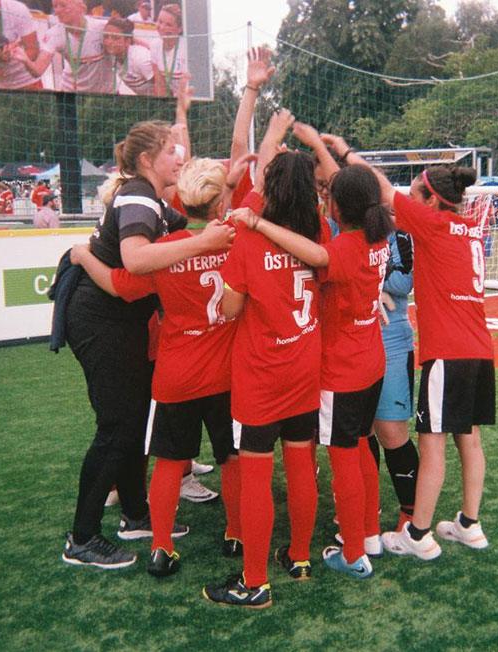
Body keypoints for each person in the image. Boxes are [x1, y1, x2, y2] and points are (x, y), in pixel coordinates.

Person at [59, 120, 235, 570]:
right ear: (145, 160)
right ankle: (81, 537)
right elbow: (135, 263)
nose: (180, 158)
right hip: (100, 317)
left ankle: (137, 514)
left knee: (134, 419)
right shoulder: (138, 193)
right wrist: (206, 243)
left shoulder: (151, 196)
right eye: (171, 150)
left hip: (117, 315)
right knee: (117, 426)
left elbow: (192, 217)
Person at [328, 139, 495, 560]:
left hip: (448, 351)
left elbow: (380, 187)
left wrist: (345, 152)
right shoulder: (470, 227)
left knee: (432, 442)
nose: (408, 200)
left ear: (430, 201)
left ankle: (417, 534)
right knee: (469, 440)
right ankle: (469, 525)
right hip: (480, 348)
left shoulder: (432, 224)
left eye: (416, 194)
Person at [232, 153, 395, 581]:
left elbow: (320, 260)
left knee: (337, 459)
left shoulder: (334, 244)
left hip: (329, 369)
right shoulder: (361, 236)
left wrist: (259, 222)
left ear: (338, 206)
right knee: (350, 449)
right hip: (358, 361)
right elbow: (319, 256)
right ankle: (353, 538)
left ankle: (353, 549)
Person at [202, 111, 323, 609]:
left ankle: (254, 581)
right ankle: (298, 557)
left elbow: (230, 307)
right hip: (304, 369)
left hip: (261, 375)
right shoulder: (320, 234)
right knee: (300, 463)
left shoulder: (251, 237)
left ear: (271, 189)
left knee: (256, 472)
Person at [374, 229, 420, 533]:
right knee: (359, 430)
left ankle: (411, 509)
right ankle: (366, 509)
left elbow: (405, 282)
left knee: (391, 430)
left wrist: (367, 276)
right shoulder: (330, 225)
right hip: (347, 340)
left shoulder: (397, 234)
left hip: (391, 340)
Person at [15, 0, 107, 93]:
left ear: (81, 8)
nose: (57, 11)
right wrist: (25, 59)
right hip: (71, 93)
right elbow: (38, 71)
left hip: (106, 95)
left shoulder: (102, 27)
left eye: (63, 5)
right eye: (55, 6)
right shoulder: (54, 34)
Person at [99, 17, 155, 95]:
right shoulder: (110, 54)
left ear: (127, 41)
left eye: (115, 38)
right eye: (106, 36)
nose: (109, 42)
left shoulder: (140, 58)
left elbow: (163, 86)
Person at [150, 3, 188, 98]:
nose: (162, 27)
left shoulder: (186, 49)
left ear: (179, 29)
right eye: (160, 21)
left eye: (168, 25)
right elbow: (159, 84)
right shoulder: (154, 45)